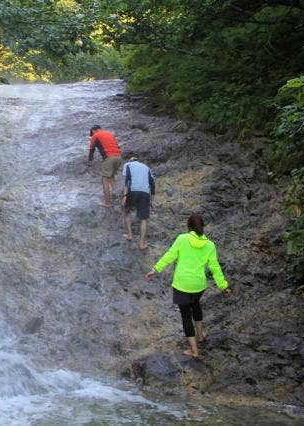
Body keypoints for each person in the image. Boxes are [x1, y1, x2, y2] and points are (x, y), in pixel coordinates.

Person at [144, 214, 231, 358]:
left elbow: (169, 255)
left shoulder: (182, 239)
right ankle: (200, 335)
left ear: (189, 227)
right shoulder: (210, 245)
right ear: (202, 227)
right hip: (198, 285)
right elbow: (215, 268)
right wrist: (224, 287)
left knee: (186, 316)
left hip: (182, 284)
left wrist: (155, 269)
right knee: (196, 305)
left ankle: (194, 351)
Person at [121, 155, 155, 250]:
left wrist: (125, 196)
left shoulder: (128, 165)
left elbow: (126, 181)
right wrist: (151, 200)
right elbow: (152, 184)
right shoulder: (146, 167)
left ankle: (130, 235)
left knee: (127, 212)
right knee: (144, 219)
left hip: (132, 191)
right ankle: (141, 244)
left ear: (130, 161)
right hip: (145, 193)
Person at [87, 125, 123, 208]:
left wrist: (89, 166)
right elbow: (118, 146)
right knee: (112, 175)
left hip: (109, 158)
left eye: (91, 133)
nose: (92, 135)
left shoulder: (95, 136)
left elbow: (91, 151)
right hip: (118, 157)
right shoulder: (110, 134)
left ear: (93, 130)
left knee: (105, 180)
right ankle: (114, 192)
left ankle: (107, 203)